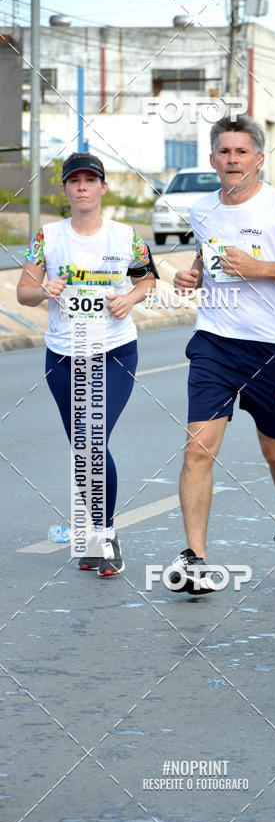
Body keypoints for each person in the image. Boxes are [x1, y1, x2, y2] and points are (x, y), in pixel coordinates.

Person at [171, 114, 275, 594]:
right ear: (213, 160)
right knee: (197, 451)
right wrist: (190, 276)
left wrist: (260, 267)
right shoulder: (201, 209)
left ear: (259, 158)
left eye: (241, 152)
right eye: (224, 152)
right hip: (213, 341)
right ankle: (196, 558)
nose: (233, 160)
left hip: (270, 347)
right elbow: (206, 259)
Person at [17, 151, 157, 575]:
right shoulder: (49, 237)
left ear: (102, 187)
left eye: (89, 180)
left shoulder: (126, 236)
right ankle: (95, 534)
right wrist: (45, 290)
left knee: (93, 440)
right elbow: (24, 291)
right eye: (74, 181)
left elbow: (147, 279)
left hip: (114, 352)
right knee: (83, 448)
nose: (82, 187)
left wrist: (129, 299)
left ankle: (105, 535)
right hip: (63, 356)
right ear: (64, 189)